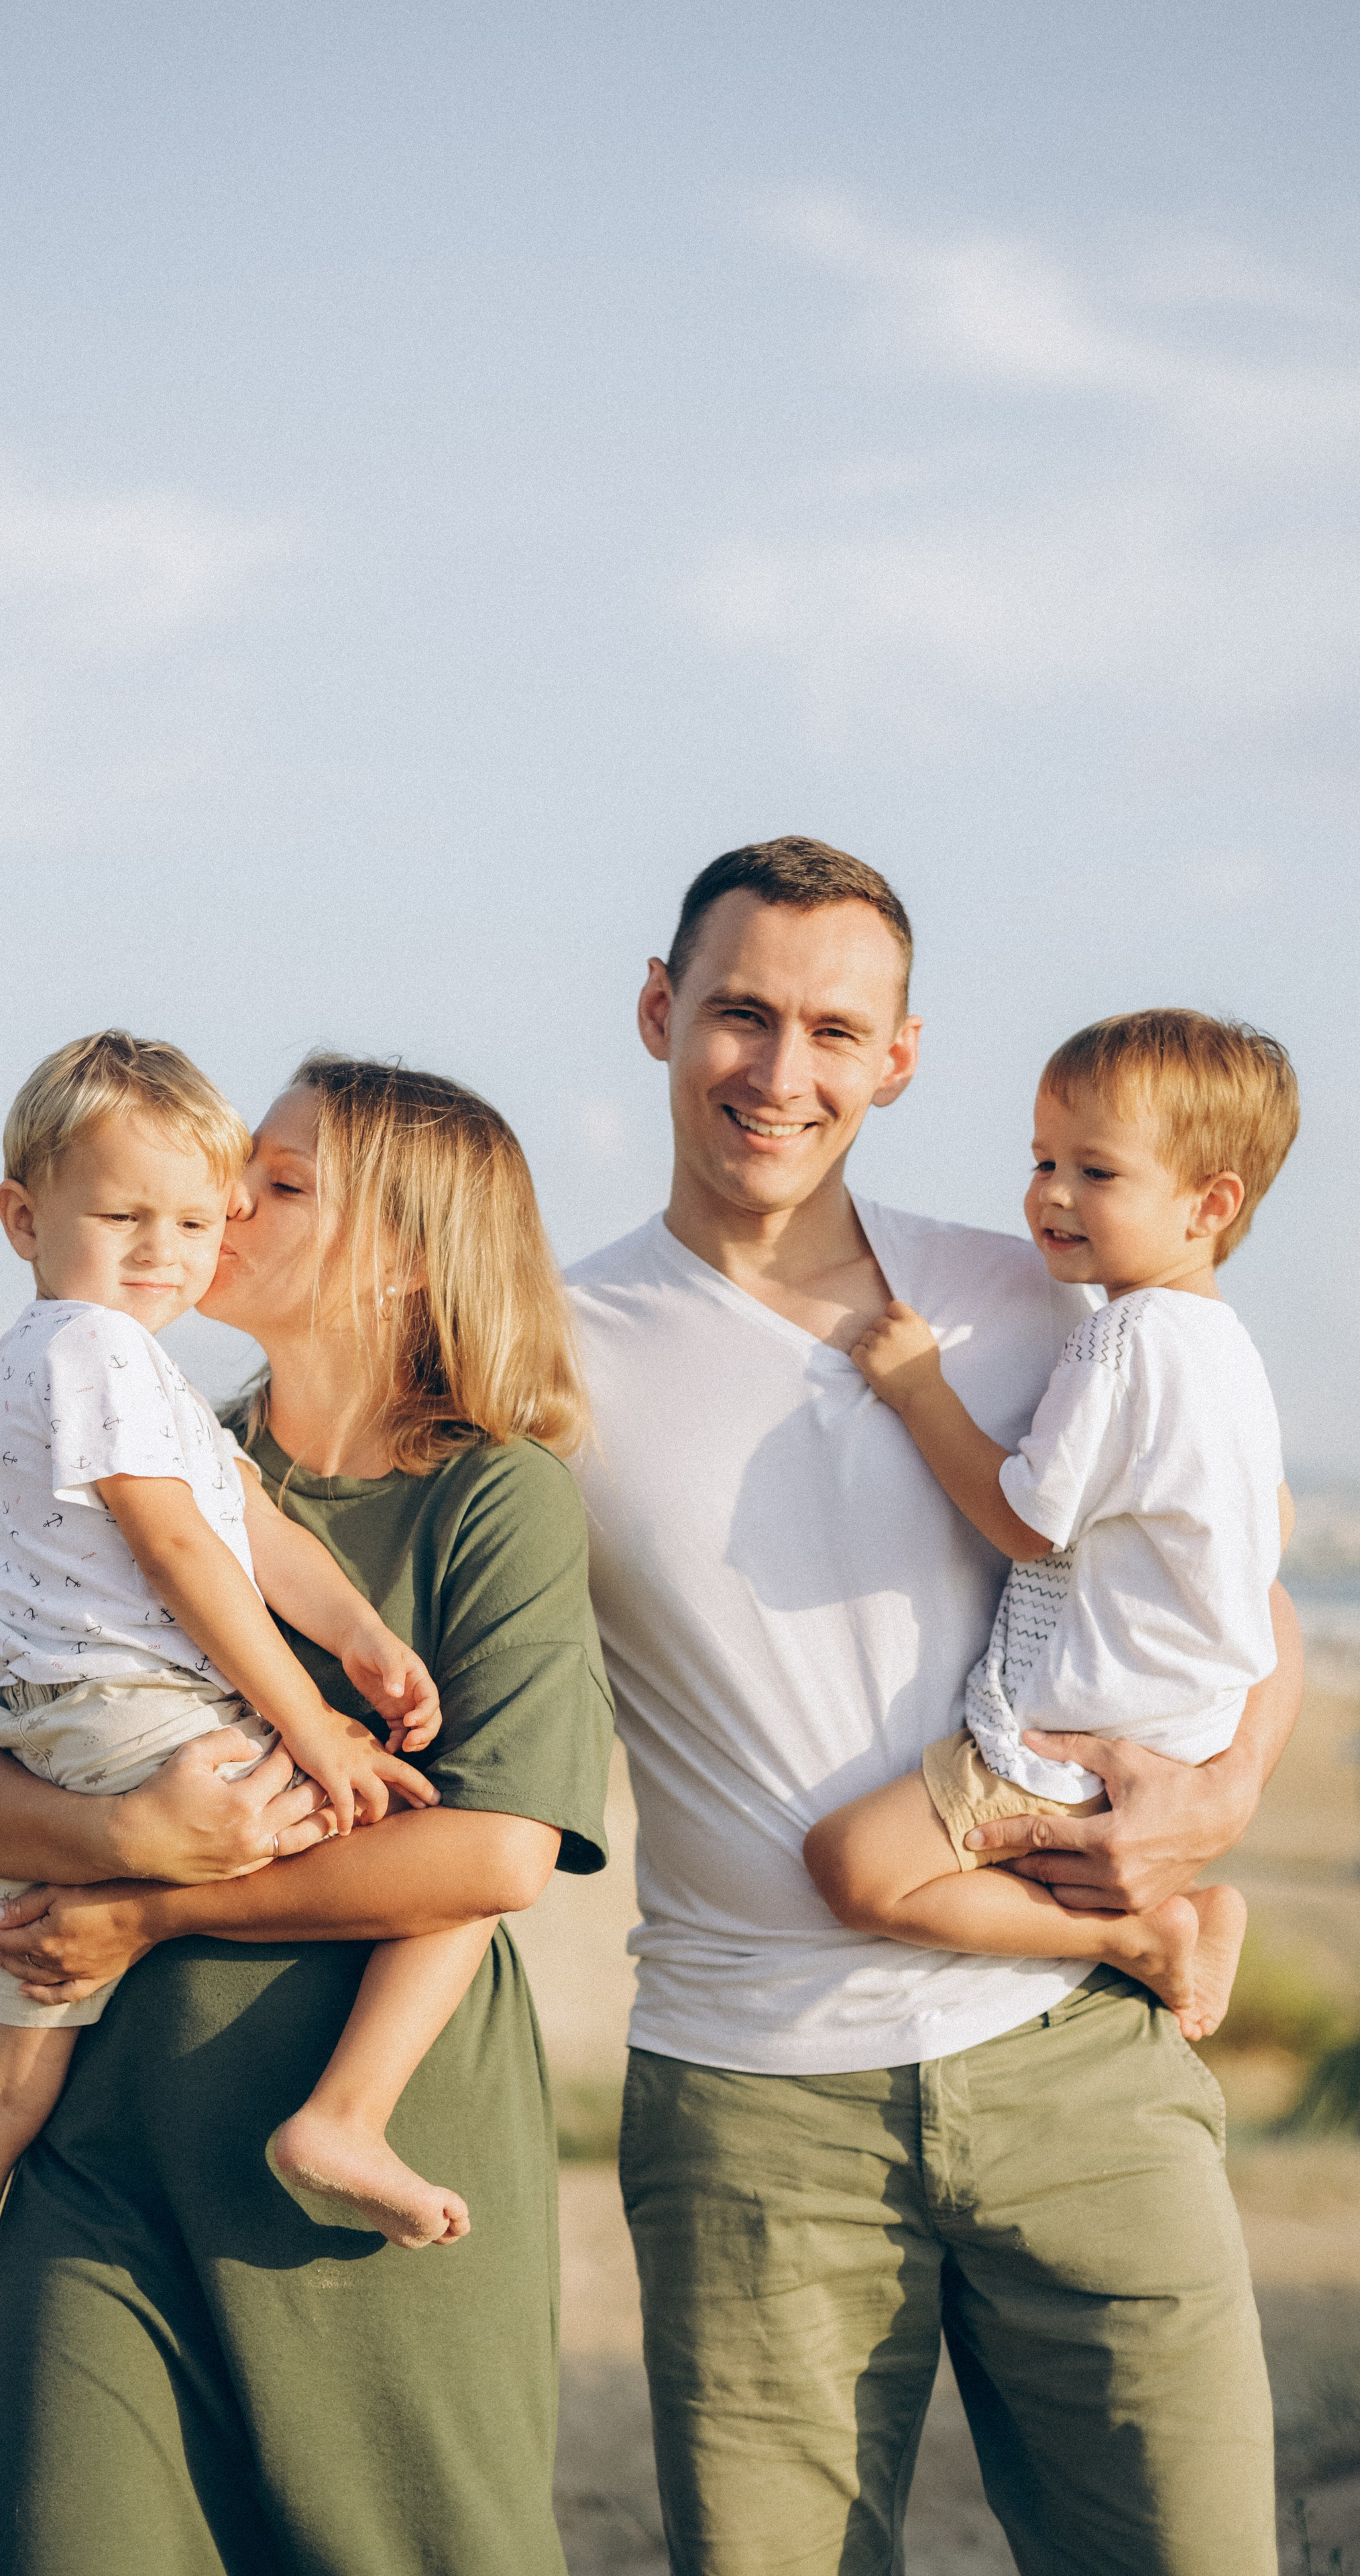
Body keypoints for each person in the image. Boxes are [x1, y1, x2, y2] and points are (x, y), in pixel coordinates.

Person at [566, 839, 1300, 2576]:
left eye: (836, 1028)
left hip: (1077, 2073)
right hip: (756, 2112)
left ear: (900, 1059)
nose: (782, 1068)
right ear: (662, 1013)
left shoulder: (1048, 1301)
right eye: (741, 1013)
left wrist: (1221, 1798)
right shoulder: (550, 1342)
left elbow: (1236, 1585)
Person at [0, 1055, 614, 2576]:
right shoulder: (145, 1452)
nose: (222, 1211)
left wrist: (154, 1906)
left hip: (358, 2206)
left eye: (274, 1187)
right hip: (101, 2167)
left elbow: (492, 1851)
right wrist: (120, 1844)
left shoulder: (495, 1497)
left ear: (405, 1260)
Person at [803, 1009, 1298, 2045]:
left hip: (1083, 1742)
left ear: (1210, 1204)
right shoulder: (1229, 1351)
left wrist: (918, 1389)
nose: (1052, 1196)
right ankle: (1168, 1921)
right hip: (1181, 1733)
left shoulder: (1117, 1339)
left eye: (1097, 1173)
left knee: (852, 1868)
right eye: (1042, 1160)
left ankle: (1146, 1939)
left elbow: (1027, 1520)